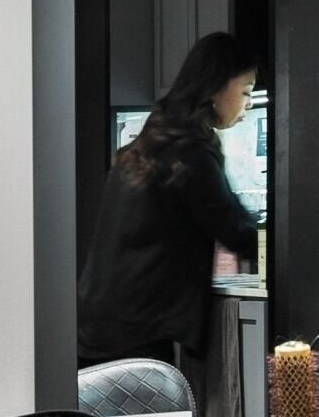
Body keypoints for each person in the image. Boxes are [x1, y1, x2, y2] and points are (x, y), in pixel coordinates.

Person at [78, 32, 263, 373]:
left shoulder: (154, 140)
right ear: (216, 88)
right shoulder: (188, 154)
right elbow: (234, 228)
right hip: (136, 333)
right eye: (246, 91)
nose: (249, 103)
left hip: (101, 325)